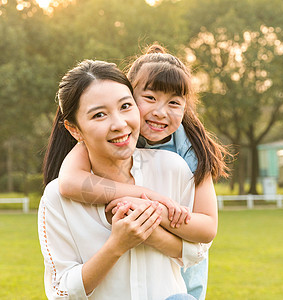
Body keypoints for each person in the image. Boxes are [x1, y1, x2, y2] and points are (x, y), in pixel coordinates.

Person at [58, 44, 229, 300]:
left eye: (174, 102)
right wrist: (146, 195)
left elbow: (206, 227)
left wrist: (153, 212)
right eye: (150, 98)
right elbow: (70, 182)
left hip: (183, 278)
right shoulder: (116, 135)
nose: (160, 111)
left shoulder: (191, 149)